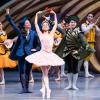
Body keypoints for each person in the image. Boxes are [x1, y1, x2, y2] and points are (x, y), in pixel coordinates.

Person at [25, 10, 64, 99]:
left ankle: (43, 88)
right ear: (42, 27)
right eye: (43, 25)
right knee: (45, 74)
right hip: (42, 55)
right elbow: (35, 25)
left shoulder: (51, 34)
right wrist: (36, 15)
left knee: (45, 73)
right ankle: (48, 89)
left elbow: (55, 25)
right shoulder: (40, 34)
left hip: (50, 55)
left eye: (46, 25)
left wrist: (54, 14)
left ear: (48, 27)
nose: (45, 26)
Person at [55, 15, 95, 90]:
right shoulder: (65, 31)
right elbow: (57, 27)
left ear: (76, 23)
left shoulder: (79, 32)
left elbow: (84, 42)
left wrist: (86, 48)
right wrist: (50, 21)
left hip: (75, 53)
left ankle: (74, 85)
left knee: (75, 69)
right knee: (69, 69)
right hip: (67, 52)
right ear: (69, 24)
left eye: (74, 22)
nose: (72, 23)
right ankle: (70, 84)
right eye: (71, 22)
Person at [6, 8, 40, 93]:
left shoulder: (33, 33)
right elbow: (13, 24)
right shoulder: (20, 32)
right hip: (21, 53)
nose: (28, 24)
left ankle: (27, 88)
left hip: (30, 54)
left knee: (28, 71)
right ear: (24, 25)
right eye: (27, 23)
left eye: (29, 22)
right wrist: (7, 15)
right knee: (21, 71)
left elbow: (38, 44)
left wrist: (35, 49)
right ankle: (23, 88)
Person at [81, 13, 100, 78]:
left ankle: (87, 72)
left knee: (87, 59)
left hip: (92, 43)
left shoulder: (93, 25)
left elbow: (98, 34)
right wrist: (90, 26)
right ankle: (86, 73)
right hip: (86, 43)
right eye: (89, 16)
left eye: (91, 16)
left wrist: (97, 29)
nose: (90, 17)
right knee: (86, 59)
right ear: (87, 17)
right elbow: (85, 31)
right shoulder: (84, 25)